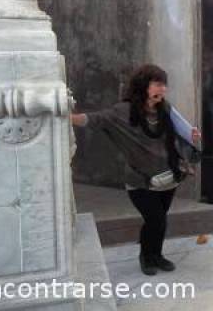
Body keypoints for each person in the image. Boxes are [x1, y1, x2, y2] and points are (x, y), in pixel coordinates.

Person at [71, 64, 201, 275]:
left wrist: (191, 136)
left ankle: (156, 256)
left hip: (168, 177)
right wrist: (66, 117)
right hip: (141, 181)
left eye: (164, 85)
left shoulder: (165, 109)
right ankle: (146, 257)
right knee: (156, 219)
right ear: (144, 85)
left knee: (158, 220)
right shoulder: (123, 112)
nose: (163, 89)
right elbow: (96, 119)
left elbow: (179, 133)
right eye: (158, 84)